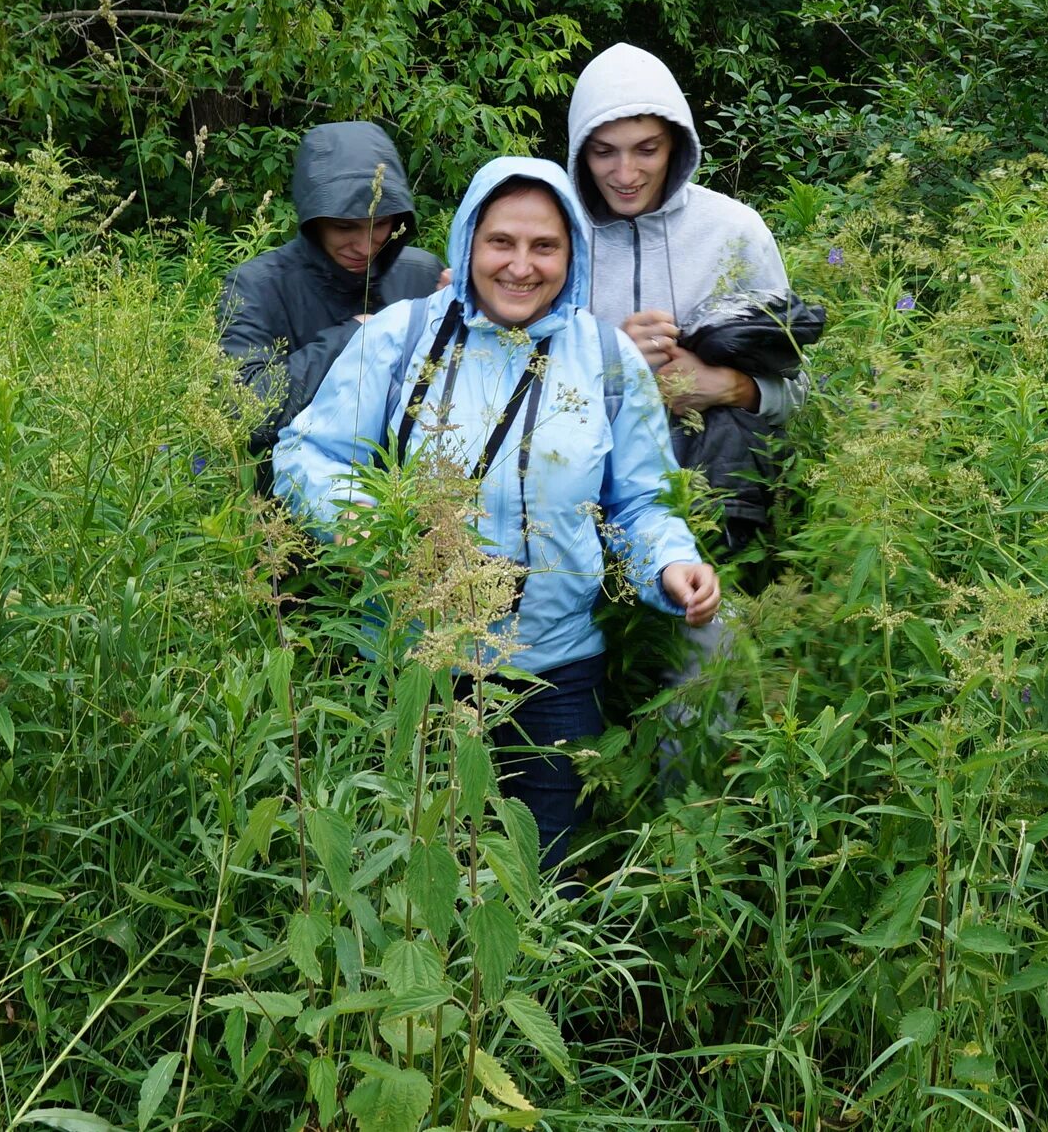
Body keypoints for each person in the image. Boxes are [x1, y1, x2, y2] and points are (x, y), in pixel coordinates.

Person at [274, 158, 722, 862]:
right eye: (501, 242)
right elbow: (307, 456)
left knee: (543, 884)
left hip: (555, 673)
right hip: (408, 659)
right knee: (405, 876)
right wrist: (380, 527)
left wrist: (671, 563)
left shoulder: (605, 358)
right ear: (466, 244)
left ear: (572, 253)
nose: (521, 266)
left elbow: (638, 499)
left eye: (544, 246)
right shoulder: (401, 337)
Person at [565, 43, 806, 555]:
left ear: (677, 143)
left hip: (717, 509)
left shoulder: (734, 231)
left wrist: (732, 387)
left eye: (646, 150)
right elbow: (501, 374)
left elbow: (802, 387)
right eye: (604, 151)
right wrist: (613, 355)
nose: (625, 175)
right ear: (579, 150)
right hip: (575, 502)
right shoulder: (551, 234)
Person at [221, 122, 445, 456]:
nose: (366, 246)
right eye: (344, 227)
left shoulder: (422, 274)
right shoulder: (255, 286)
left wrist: (478, 305)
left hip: (413, 492)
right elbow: (244, 414)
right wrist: (357, 336)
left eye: (381, 224)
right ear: (314, 220)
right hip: (296, 494)